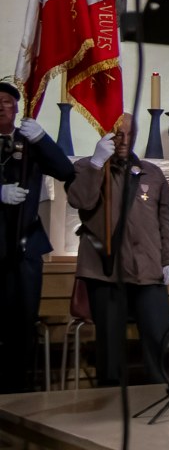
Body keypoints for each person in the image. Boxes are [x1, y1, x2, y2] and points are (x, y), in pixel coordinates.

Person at [68, 114, 169, 386]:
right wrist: (96, 163)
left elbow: (167, 219)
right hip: (106, 270)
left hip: (148, 267)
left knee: (159, 335)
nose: (123, 141)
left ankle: (162, 393)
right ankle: (109, 404)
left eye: (130, 134)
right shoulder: (86, 167)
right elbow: (80, 200)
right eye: (118, 134)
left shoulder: (151, 172)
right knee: (110, 345)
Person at [0, 80, 74, 392]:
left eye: (7, 101)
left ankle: (19, 391)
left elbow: (65, 171)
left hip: (26, 246)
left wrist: (42, 139)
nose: (1, 106)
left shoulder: (29, 143)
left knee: (23, 321)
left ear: (17, 108)